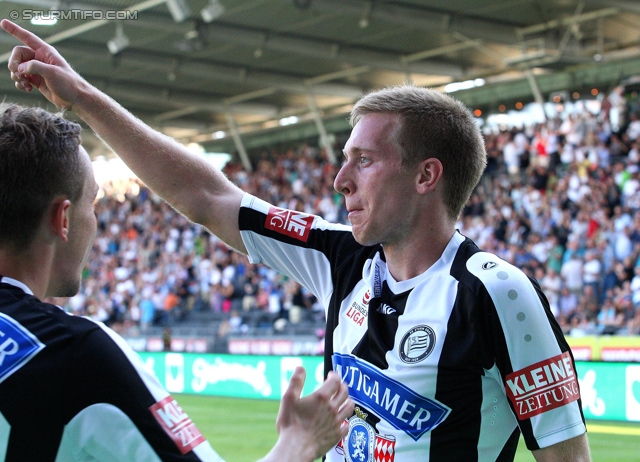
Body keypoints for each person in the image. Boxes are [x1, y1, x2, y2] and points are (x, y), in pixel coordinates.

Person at [1, 19, 591, 461]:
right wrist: (81, 96)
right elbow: (209, 198)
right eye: (342, 160)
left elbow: (566, 454)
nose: (339, 181)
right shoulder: (340, 257)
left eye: (363, 161)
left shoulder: (500, 295)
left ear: (425, 175)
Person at [0, 105, 353, 459]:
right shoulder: (76, 353)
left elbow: (213, 199)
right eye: (91, 203)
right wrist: (297, 443)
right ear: (62, 218)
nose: (96, 220)